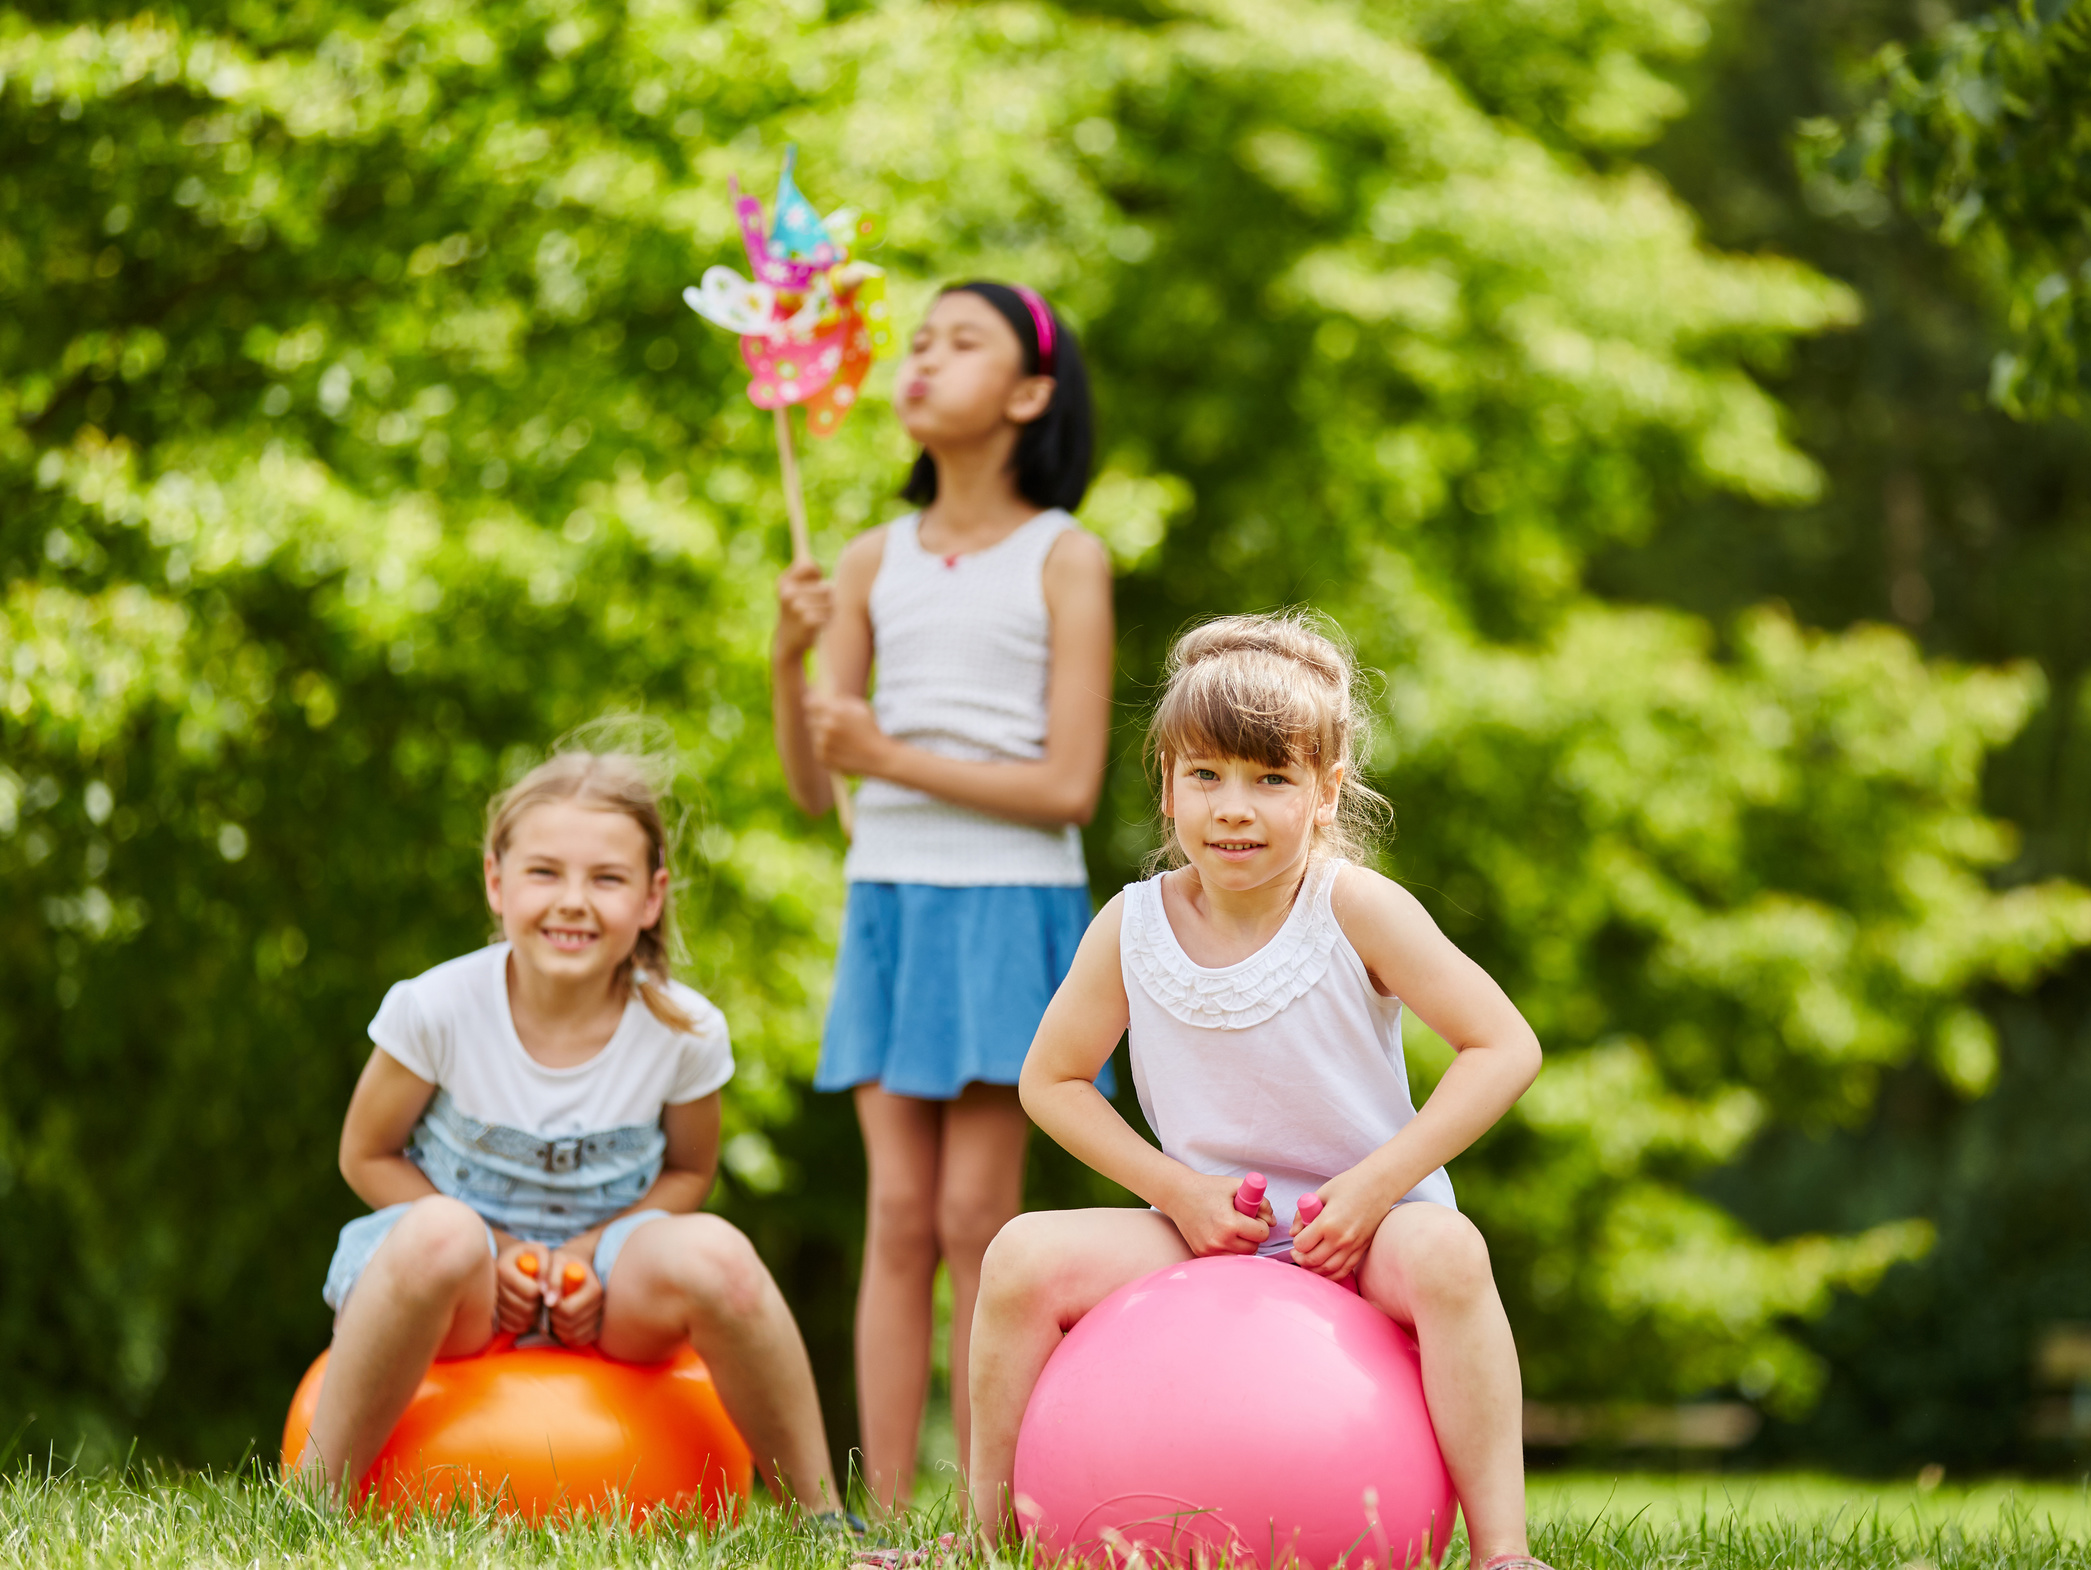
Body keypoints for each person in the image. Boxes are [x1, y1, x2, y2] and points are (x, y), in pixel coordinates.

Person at [966, 612, 1550, 1570]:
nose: (1232, 807)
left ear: (1325, 794)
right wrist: (1179, 1192)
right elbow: (1052, 1080)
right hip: (1206, 1229)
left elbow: (1503, 1046)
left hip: (1366, 1232)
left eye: (1269, 779)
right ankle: (983, 1539)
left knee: (1452, 1253)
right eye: (1205, 776)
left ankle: (1501, 1550)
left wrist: (1372, 1190)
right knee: (1021, 1256)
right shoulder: (1132, 926)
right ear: (1166, 790)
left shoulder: (1353, 906)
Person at [770, 281, 1114, 1510]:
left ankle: (980, 1506)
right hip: (893, 904)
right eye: (915, 341)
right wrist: (787, 653)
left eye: (961, 343)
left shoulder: (1065, 558)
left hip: (1010, 906)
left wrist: (890, 755)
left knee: (979, 1215)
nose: (922, 360)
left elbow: (1069, 784)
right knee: (898, 1215)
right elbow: (818, 784)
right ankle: (883, 1514)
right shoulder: (866, 559)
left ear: (1029, 393)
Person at [295, 745, 841, 1517]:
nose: (573, 901)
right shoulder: (436, 1009)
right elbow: (366, 1153)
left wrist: (585, 1256)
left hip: (612, 1284)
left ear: (652, 898)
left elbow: (688, 1175)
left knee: (720, 1252)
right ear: (496, 881)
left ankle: (820, 1514)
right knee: (440, 1233)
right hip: (458, 1289)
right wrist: (503, 1250)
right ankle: (311, 1499)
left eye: (607, 879)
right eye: (544, 872)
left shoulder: (684, 1031)